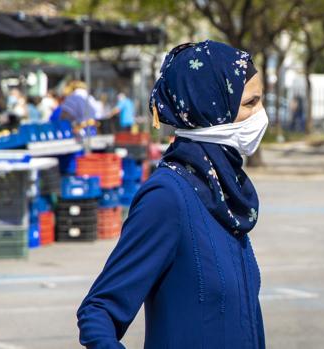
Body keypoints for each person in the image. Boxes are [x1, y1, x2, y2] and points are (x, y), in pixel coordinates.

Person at [77, 40, 268, 348]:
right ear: (211, 105)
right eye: (250, 103)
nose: (262, 115)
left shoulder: (226, 195)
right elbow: (99, 311)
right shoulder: (167, 196)